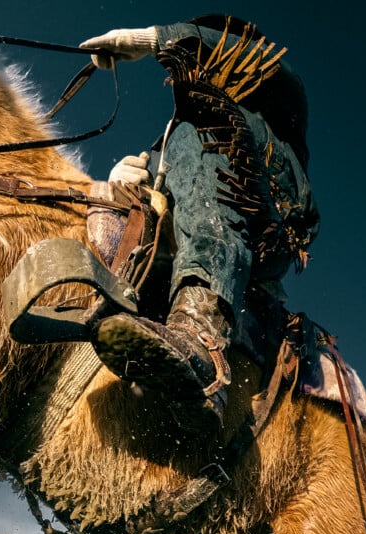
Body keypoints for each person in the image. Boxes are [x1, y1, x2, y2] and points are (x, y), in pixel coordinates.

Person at [79, 16, 320, 427]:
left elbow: (251, 59)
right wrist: (142, 172)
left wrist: (159, 39)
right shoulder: (182, 133)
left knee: (202, 133)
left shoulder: (273, 87)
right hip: (202, 176)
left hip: (272, 208)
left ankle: (202, 338)